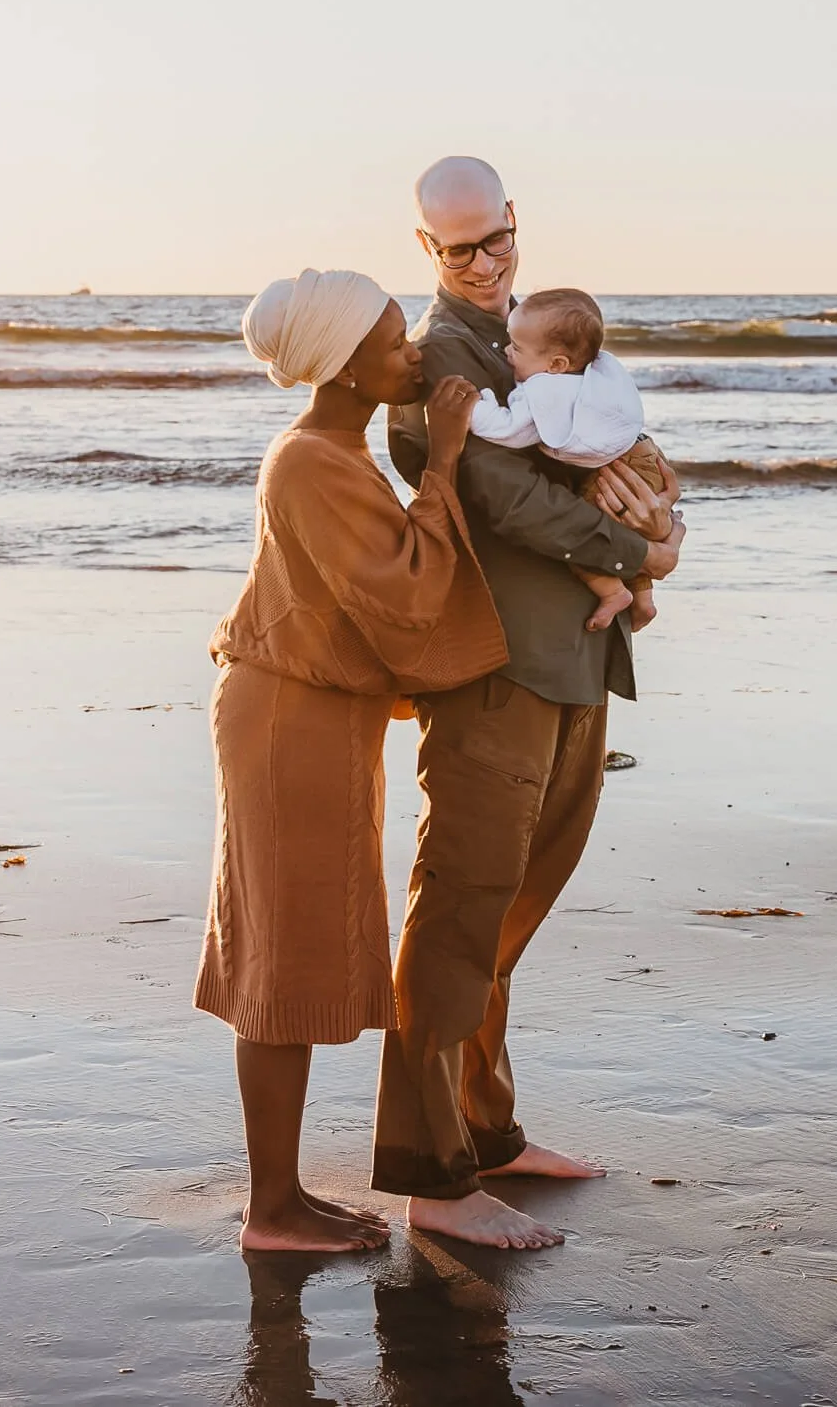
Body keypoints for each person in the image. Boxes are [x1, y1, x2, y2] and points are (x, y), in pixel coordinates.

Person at [376, 158, 686, 1250]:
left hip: (573, 660)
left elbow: (615, 447)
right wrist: (631, 546)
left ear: (516, 224)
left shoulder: (546, 339)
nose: (478, 259)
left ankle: (487, 1132)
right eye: (454, 246)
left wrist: (654, 512)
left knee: (511, 915)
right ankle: (427, 1172)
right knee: (461, 905)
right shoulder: (434, 358)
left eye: (491, 237)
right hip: (495, 667)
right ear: (427, 249)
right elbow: (493, 491)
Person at [196, 267, 507, 1253]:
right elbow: (407, 593)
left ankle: (282, 1194)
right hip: (291, 722)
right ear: (341, 366)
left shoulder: (334, 449)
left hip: (314, 714)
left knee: (291, 948)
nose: (410, 351)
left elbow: (376, 594)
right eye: (389, 340)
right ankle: (271, 1209)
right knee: (281, 959)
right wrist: (446, 462)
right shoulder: (311, 463)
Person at [466, 286, 680, 631]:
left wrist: (475, 407)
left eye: (516, 348)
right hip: (644, 455)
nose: (507, 351)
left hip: (618, 470)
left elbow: (507, 429)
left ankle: (613, 592)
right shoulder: (588, 374)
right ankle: (644, 597)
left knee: (587, 537)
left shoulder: (546, 390)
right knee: (630, 528)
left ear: (557, 364)